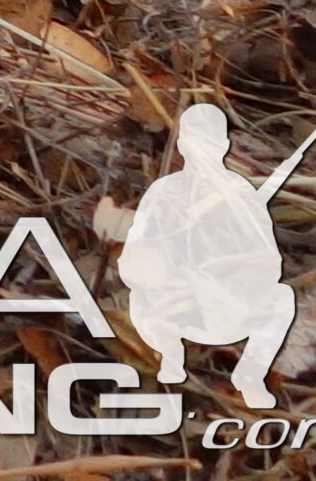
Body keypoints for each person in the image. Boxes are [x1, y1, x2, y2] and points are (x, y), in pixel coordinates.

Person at [122, 101, 303, 405]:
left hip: (227, 301)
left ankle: (250, 376)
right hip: (174, 303)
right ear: (182, 145)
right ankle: (170, 359)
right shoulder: (163, 191)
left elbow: (270, 260)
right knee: (138, 300)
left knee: (282, 297)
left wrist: (235, 267)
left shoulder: (240, 192)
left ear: (223, 145)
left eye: (211, 142)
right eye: (195, 143)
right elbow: (133, 255)